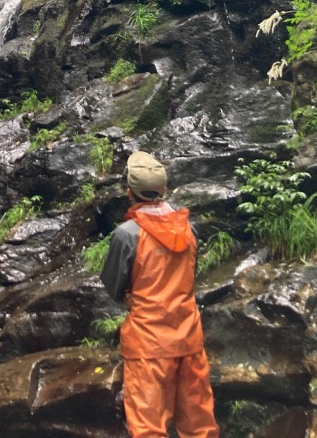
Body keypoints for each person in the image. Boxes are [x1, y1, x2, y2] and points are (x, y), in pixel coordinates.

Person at [100, 151, 219, 438]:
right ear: (164, 190)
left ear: (129, 193)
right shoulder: (188, 229)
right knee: (199, 425)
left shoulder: (127, 234)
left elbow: (113, 285)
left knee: (149, 428)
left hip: (149, 344)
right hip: (189, 337)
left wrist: (130, 295)